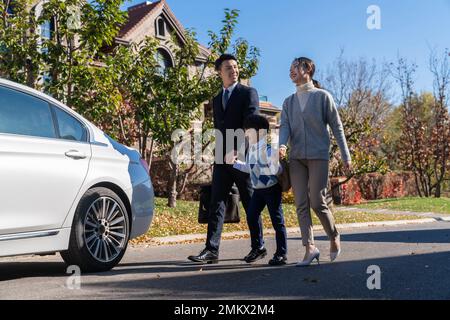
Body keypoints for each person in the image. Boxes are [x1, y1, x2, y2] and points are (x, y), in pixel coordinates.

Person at [279, 57, 352, 267]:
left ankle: (333, 234)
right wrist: (282, 145)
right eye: (290, 67)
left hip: (319, 155)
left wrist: (346, 156)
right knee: (301, 203)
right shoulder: (288, 102)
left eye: (294, 67)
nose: (291, 71)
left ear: (307, 69)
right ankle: (310, 248)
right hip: (296, 158)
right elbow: (284, 127)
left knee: (317, 201)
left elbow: (337, 127)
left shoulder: (322, 97)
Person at [188, 54, 260, 264]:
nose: (234, 70)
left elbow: (252, 121)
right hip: (221, 158)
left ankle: (258, 246)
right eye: (228, 67)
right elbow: (219, 128)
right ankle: (212, 250)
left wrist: (238, 150)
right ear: (219, 72)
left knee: (249, 202)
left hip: (242, 157)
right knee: (216, 202)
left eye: (236, 67)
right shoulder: (217, 98)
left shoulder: (248, 93)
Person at [232, 114, 288, 266]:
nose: (245, 134)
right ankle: (258, 248)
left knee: (277, 221)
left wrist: (273, 164)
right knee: (251, 216)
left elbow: (279, 170)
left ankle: (281, 254)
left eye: (248, 131)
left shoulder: (269, 149)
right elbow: (250, 169)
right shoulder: (251, 151)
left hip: (271, 190)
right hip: (258, 191)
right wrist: (235, 163)